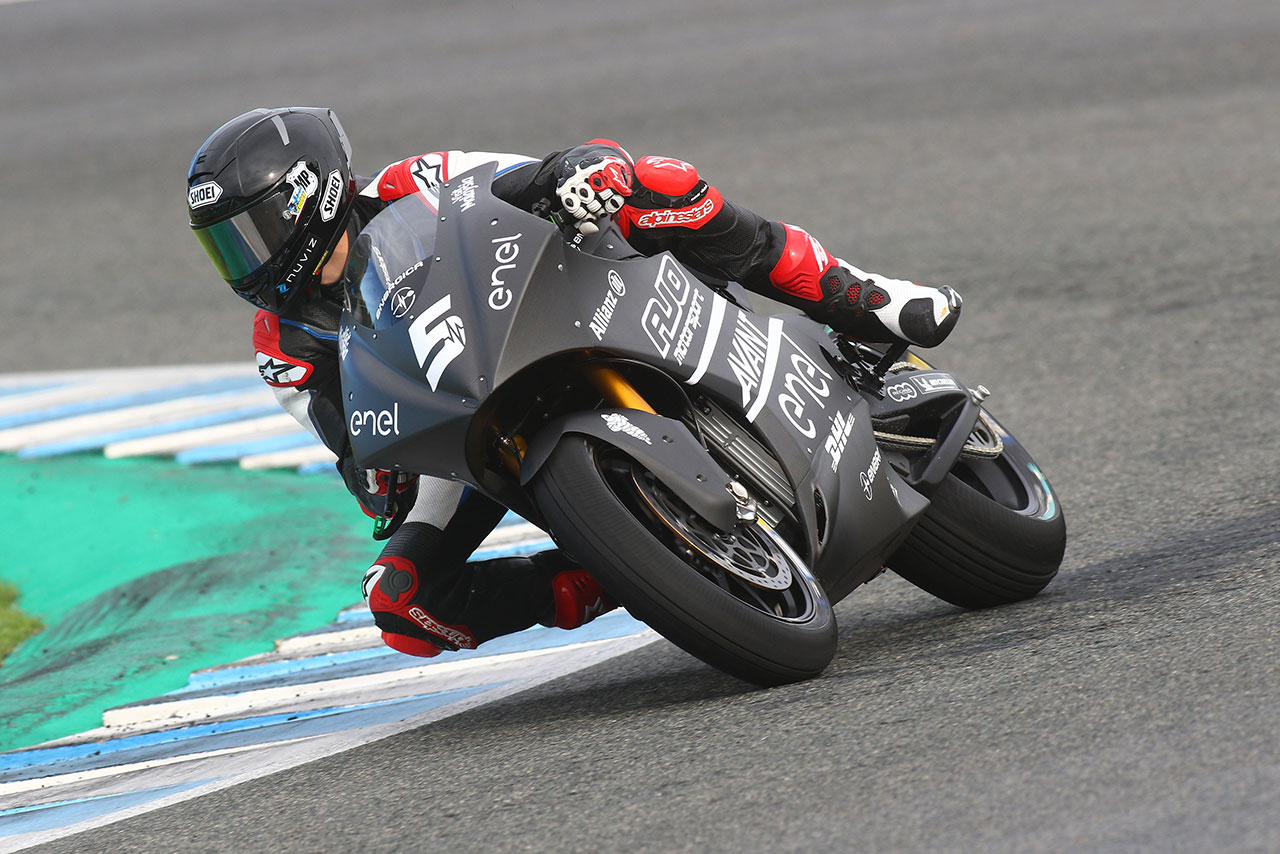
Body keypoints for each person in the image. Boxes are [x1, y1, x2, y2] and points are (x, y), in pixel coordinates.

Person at [186, 107, 962, 658]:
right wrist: (375, 478)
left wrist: (578, 172)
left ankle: (865, 300)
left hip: (556, 301)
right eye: (225, 246)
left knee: (659, 182)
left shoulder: (410, 182)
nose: (244, 260)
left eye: (250, 232)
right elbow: (349, 440)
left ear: (310, 195)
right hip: (456, 423)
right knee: (403, 603)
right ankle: (621, 568)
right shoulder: (282, 346)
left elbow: (524, 178)